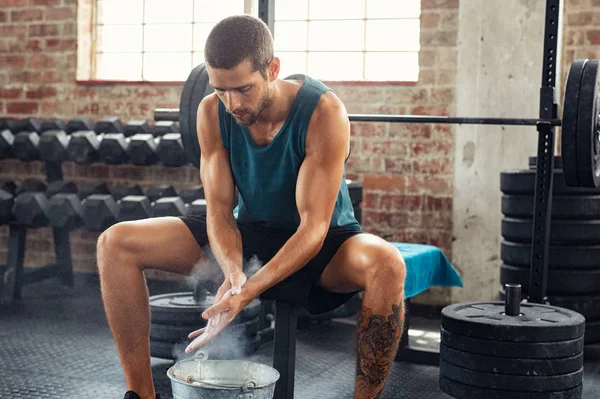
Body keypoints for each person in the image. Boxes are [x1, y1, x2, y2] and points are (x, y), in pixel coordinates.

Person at [97, 14, 406, 399]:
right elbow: (220, 212)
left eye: (243, 89)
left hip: (325, 244)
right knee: (116, 242)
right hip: (249, 233)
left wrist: (246, 292)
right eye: (221, 90)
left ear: (273, 69)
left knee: (387, 264)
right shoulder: (212, 112)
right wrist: (233, 273)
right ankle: (141, 395)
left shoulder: (323, 112)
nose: (232, 103)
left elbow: (312, 228)